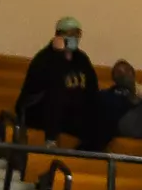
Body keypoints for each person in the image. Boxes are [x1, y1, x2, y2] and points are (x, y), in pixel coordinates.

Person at [19, 16, 98, 144]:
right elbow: (43, 85)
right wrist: (59, 55)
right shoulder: (44, 58)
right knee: (56, 93)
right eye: (70, 33)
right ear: (59, 35)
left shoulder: (82, 59)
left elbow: (92, 89)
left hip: (72, 115)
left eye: (77, 34)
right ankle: (51, 141)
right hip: (41, 112)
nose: (75, 37)